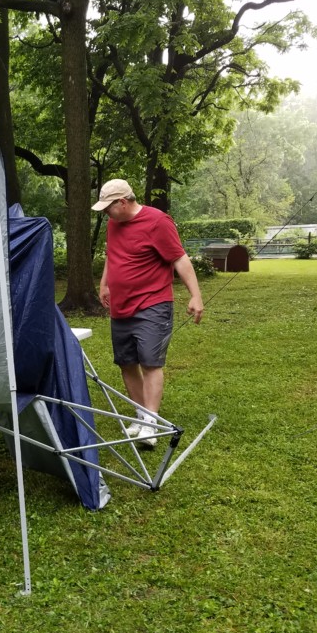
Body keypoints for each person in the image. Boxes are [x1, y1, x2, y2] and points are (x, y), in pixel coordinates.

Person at [93, 179, 204, 447]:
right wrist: (105, 283)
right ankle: (141, 416)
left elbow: (179, 257)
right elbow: (112, 254)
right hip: (121, 305)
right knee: (127, 362)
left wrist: (196, 295)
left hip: (152, 304)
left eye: (109, 207)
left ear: (123, 202)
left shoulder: (158, 221)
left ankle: (151, 423)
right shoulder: (113, 223)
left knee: (150, 362)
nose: (106, 213)